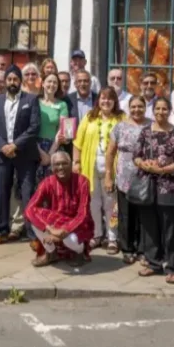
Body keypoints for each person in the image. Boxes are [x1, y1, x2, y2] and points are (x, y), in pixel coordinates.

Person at [134, 96, 174, 284]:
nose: (160, 112)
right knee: (149, 226)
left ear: (169, 111)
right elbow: (136, 156)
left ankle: (172, 266)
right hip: (147, 185)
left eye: (164, 109)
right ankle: (153, 262)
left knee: (169, 229)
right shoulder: (145, 132)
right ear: (153, 111)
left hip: (169, 187)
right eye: (157, 109)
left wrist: (163, 170)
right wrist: (145, 164)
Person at [0, 66, 41, 246]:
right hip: (3, 154)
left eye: (15, 79)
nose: (11, 82)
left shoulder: (31, 100)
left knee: (28, 194)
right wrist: (3, 146)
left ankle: (32, 234)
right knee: (2, 193)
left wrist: (15, 145)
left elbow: (34, 127)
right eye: (9, 79)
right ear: (5, 82)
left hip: (24, 153)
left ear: (20, 81)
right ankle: (1, 231)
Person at [73, 87, 124, 254]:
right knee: (94, 203)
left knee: (112, 205)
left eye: (110, 98)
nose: (106, 101)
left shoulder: (122, 118)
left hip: (113, 168)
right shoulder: (90, 117)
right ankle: (96, 235)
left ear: (115, 101)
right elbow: (77, 142)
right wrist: (76, 162)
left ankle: (112, 238)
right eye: (103, 98)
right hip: (91, 166)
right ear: (98, 100)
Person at [24, 151, 94, 267]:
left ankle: (79, 253)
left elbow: (83, 213)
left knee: (68, 239)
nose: (60, 167)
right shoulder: (47, 182)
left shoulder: (82, 182)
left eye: (64, 163)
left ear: (71, 164)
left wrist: (64, 230)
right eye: (57, 164)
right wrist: (50, 229)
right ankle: (51, 253)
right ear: (52, 167)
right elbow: (30, 208)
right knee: (33, 216)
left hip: (77, 224)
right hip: (56, 222)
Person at [106, 95, 150, 265]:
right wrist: (109, 176)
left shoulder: (150, 125)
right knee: (126, 215)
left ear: (145, 108)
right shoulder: (120, 127)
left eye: (140, 106)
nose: (137, 109)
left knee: (143, 216)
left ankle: (142, 249)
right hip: (124, 178)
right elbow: (110, 152)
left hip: (146, 178)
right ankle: (127, 248)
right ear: (129, 108)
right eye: (133, 106)